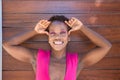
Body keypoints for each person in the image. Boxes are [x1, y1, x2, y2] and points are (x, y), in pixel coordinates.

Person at [2, 15, 112, 80]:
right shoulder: (37, 58)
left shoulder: (77, 61)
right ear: (48, 37)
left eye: (63, 32)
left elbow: (106, 46)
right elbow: (7, 45)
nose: (57, 37)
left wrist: (82, 28)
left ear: (69, 37)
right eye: (53, 33)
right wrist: (34, 31)